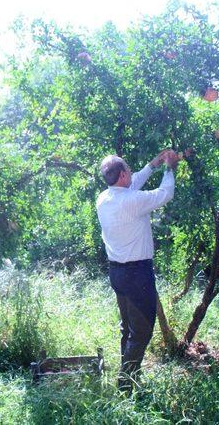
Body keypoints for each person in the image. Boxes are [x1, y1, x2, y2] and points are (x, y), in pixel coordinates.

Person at [96, 149, 179, 394]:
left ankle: (130, 377)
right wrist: (169, 167)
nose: (132, 173)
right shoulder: (132, 202)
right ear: (122, 175)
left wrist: (151, 165)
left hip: (118, 273)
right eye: (129, 171)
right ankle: (126, 383)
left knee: (128, 327)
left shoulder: (104, 198)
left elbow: (131, 187)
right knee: (142, 331)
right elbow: (166, 193)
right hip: (137, 275)